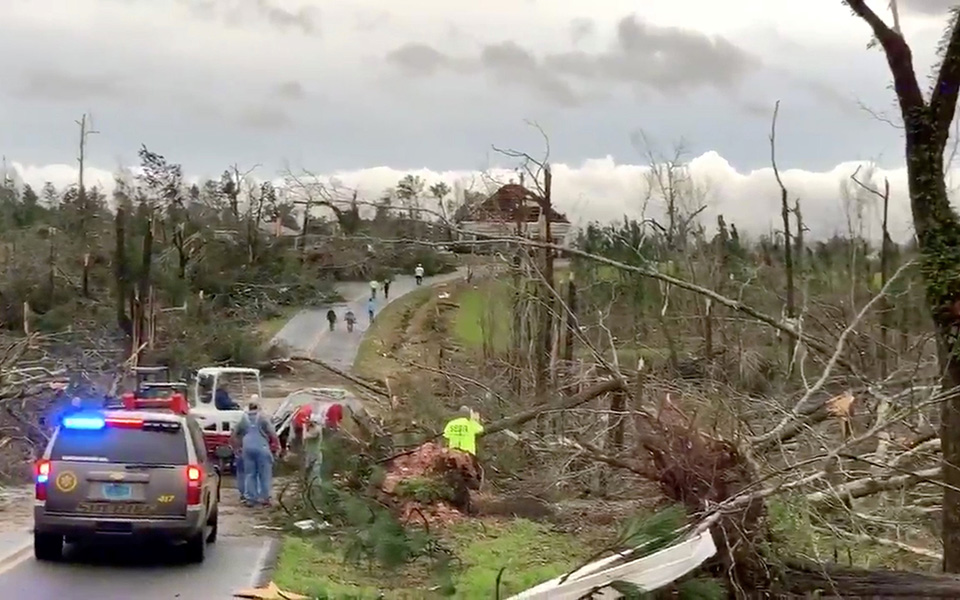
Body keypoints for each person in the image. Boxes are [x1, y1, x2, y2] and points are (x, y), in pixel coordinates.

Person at [230, 397, 280, 507]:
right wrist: (277, 446)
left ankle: (250, 498)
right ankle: (265, 497)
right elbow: (272, 433)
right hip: (261, 447)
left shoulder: (244, 418)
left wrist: (236, 448)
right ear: (258, 406)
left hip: (247, 448)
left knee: (249, 474)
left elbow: (234, 434)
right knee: (264, 473)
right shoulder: (262, 417)